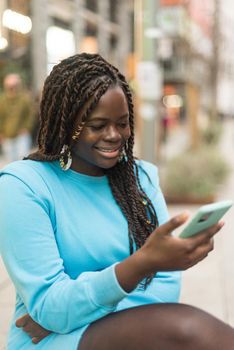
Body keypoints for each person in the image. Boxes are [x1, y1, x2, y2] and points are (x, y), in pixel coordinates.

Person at [0, 53, 233, 350]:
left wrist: (78, 313)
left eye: (122, 123)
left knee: (179, 326)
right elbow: (51, 306)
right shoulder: (24, 185)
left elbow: (164, 290)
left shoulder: (141, 178)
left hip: (114, 331)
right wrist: (140, 265)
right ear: (66, 123)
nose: (114, 135)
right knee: (186, 329)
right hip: (54, 342)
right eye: (98, 125)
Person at [0, 73, 34, 163]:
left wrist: (27, 128)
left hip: (21, 135)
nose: (12, 88)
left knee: (23, 159)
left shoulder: (24, 98)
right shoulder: (2, 101)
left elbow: (30, 114)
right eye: (10, 86)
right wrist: (1, 132)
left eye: (15, 86)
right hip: (7, 136)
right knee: (10, 161)